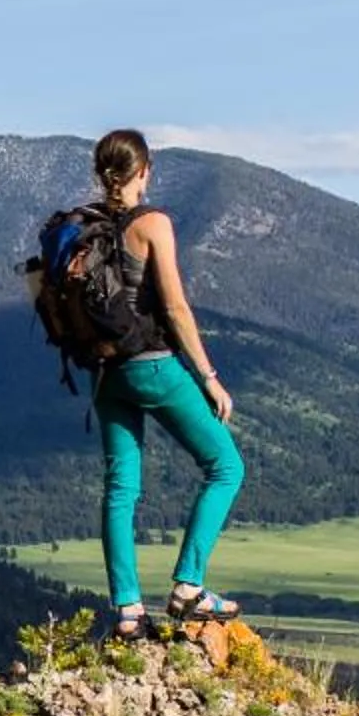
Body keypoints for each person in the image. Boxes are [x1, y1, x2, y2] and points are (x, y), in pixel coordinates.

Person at [84, 128, 246, 639]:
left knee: (120, 489)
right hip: (152, 366)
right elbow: (174, 307)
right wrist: (209, 377)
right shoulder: (152, 223)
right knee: (225, 465)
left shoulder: (87, 227)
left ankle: (128, 612)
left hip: (106, 375)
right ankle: (188, 587)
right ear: (145, 171)